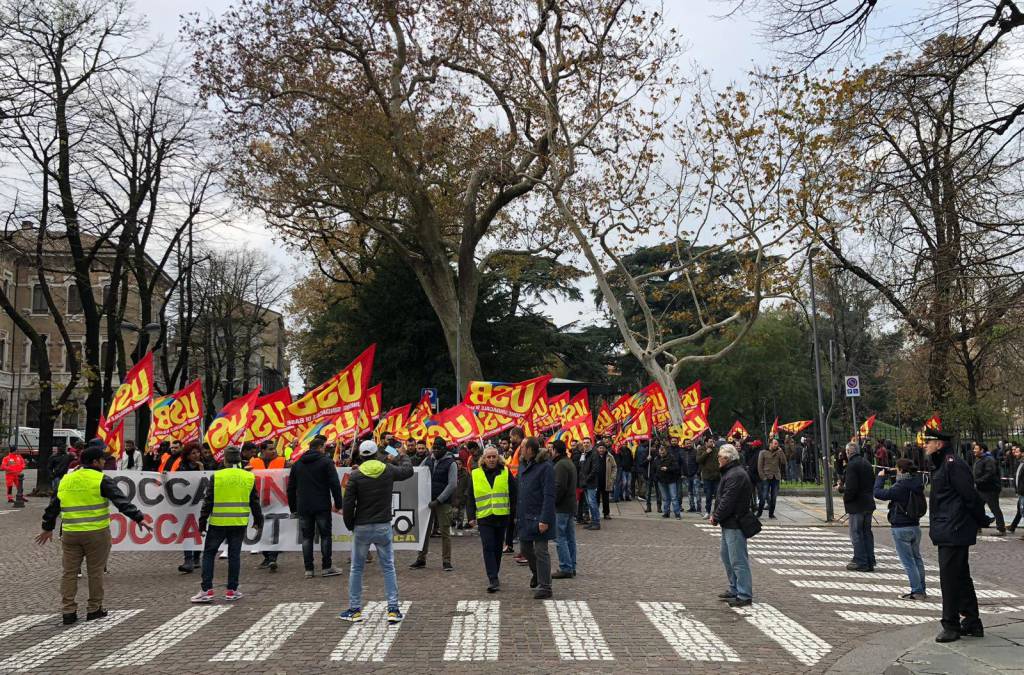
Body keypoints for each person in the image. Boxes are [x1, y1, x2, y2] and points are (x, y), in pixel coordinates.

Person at [37, 445, 152, 624]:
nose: (104, 461)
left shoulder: (66, 479)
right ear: (94, 461)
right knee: (95, 572)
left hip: (70, 533)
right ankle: (94, 608)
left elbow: (53, 506)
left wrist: (47, 527)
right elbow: (120, 501)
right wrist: (138, 518)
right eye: (102, 459)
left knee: (69, 573)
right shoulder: (100, 479)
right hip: (96, 533)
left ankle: (68, 611)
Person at [924, 428, 990, 643]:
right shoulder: (943, 464)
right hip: (950, 528)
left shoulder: (952, 464)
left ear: (939, 444)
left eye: (929, 441)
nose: (925, 445)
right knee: (960, 576)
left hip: (954, 528)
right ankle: (972, 621)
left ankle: (951, 624)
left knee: (950, 578)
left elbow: (969, 495)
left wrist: (981, 519)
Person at [340, 439, 413, 623]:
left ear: (361, 455)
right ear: (375, 453)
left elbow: (348, 504)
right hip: (383, 524)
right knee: (388, 567)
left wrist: (350, 525)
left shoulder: (355, 475)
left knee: (356, 568)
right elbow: (407, 471)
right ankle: (393, 609)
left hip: (362, 525)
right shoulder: (387, 469)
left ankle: (355, 609)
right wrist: (401, 453)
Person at [191, 446, 263, 603]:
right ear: (239, 459)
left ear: (224, 459)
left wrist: (202, 523)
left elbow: (208, 502)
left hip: (218, 521)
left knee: (209, 554)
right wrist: (258, 520)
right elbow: (254, 502)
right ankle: (232, 590)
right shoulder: (248, 477)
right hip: (239, 522)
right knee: (234, 555)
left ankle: (206, 590)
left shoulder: (217, 476)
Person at [287, 435, 343, 578]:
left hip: (303, 506)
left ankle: (309, 569)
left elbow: (291, 488)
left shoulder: (297, 464)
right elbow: (335, 484)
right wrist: (338, 503)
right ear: (320, 447)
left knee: (306, 537)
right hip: (322, 504)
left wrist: (293, 508)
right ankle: (326, 567)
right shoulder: (326, 462)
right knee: (325, 536)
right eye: (324, 447)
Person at [874, 459, 927, 599]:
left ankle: (917, 591)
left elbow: (879, 493)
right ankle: (922, 588)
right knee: (917, 558)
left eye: (897, 469)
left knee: (908, 561)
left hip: (901, 526)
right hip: (915, 525)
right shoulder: (917, 482)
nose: (896, 471)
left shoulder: (901, 486)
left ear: (902, 471)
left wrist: (880, 478)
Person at [466, 444, 517, 592]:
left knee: (497, 548)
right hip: (485, 517)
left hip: (501, 516)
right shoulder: (475, 474)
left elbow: (514, 494)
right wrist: (470, 516)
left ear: (498, 457)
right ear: (483, 458)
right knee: (488, 546)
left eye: (494, 456)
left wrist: (514, 515)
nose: (492, 459)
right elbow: (470, 497)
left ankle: (495, 572)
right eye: (489, 457)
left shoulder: (506, 472)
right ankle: (493, 578)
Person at [710, 443, 753, 607]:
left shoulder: (735, 475)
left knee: (737, 560)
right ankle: (735, 588)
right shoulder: (732, 472)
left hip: (734, 522)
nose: (718, 460)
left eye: (719, 457)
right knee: (727, 556)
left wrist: (716, 516)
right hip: (729, 522)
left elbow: (728, 500)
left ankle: (744, 594)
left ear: (727, 458)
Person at [516, 437, 556, 599]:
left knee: (541, 551)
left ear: (531, 450)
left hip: (539, 517)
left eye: (523, 446)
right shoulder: (522, 465)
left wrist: (545, 519)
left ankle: (546, 586)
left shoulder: (545, 467)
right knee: (525, 548)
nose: (520, 449)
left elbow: (549, 495)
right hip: (525, 516)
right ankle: (537, 574)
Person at [409, 436, 457, 571]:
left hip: (442, 502)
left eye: (438, 449)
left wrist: (439, 500)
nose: (435, 451)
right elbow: (418, 472)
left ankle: (446, 561)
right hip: (428, 502)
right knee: (424, 531)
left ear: (444, 449)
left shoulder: (450, 462)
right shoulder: (428, 459)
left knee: (445, 532)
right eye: (433, 448)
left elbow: (452, 484)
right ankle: (421, 559)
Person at [843, 442, 876, 572]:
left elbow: (851, 488)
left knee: (856, 533)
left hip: (857, 504)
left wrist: (846, 497)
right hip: (868, 502)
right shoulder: (866, 463)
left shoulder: (852, 465)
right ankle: (870, 559)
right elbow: (872, 481)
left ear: (848, 452)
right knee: (867, 532)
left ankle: (860, 560)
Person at [174, 443, 205, 574]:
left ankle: (196, 558)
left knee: (198, 531)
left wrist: (202, 468)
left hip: (201, 504)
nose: (196, 455)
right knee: (187, 532)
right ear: (187, 455)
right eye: (193, 453)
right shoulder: (182, 467)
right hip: (186, 505)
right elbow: (175, 481)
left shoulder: (206, 464)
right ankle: (188, 560)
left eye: (197, 452)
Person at [550, 439, 577, 579]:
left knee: (560, 537)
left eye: (551, 449)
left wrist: (552, 503)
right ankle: (571, 565)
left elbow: (559, 487)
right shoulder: (568, 462)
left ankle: (566, 567)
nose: (550, 452)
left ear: (556, 450)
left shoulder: (560, 465)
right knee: (570, 537)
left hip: (562, 507)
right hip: (570, 505)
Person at [971, 442, 1006, 535]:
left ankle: (1001, 529)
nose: (974, 450)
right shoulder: (980, 459)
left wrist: (977, 481)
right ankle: (978, 526)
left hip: (990, 489)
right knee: (977, 507)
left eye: (976, 448)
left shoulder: (988, 459)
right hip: (981, 488)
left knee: (994, 508)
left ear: (982, 450)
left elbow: (989, 474)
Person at [756, 438, 785, 519]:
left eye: (777, 444)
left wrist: (781, 452)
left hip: (776, 477)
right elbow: (759, 466)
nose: (777, 445)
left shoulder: (778, 452)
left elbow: (784, 462)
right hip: (766, 476)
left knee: (774, 497)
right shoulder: (763, 452)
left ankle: (771, 514)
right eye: (775, 443)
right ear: (770, 444)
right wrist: (763, 477)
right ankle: (759, 512)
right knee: (763, 496)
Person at [654, 444, 681, 519]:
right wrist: (656, 477)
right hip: (661, 480)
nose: (661, 454)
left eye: (663, 453)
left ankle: (677, 513)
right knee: (665, 498)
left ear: (666, 452)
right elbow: (654, 468)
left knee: (674, 497)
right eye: (660, 453)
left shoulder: (671, 458)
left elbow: (676, 467)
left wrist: (667, 468)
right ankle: (666, 512)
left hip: (671, 480)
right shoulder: (657, 459)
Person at [579, 439, 602, 529]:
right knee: (589, 503)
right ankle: (593, 522)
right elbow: (581, 467)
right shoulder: (584, 454)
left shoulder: (594, 454)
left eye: (587, 443)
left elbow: (595, 469)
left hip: (591, 483)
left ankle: (596, 522)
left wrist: (587, 479)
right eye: (584, 443)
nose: (585, 444)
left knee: (592, 503)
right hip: (585, 483)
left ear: (591, 444)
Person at [696, 437, 721, 519]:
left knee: (718, 496)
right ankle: (707, 512)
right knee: (708, 496)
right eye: (710, 441)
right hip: (707, 477)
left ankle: (716, 512)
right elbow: (698, 460)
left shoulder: (716, 449)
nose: (712, 443)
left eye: (713, 441)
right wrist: (706, 453)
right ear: (706, 442)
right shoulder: (701, 449)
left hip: (716, 476)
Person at [596, 442, 616, 519]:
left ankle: (606, 513)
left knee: (606, 499)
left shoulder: (609, 456)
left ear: (605, 449)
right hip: (596, 481)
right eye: (600, 448)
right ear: (597, 449)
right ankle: (596, 514)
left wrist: (612, 477)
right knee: (596, 499)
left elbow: (614, 467)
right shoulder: (594, 456)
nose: (601, 449)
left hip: (606, 480)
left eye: (602, 448)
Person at [681, 440, 701, 513]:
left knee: (697, 492)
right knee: (689, 492)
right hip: (686, 476)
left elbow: (699, 463)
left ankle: (699, 507)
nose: (688, 445)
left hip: (695, 475)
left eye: (690, 443)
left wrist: (698, 473)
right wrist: (682, 473)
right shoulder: (682, 452)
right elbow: (681, 464)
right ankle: (692, 507)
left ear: (692, 443)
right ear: (684, 444)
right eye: (687, 443)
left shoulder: (696, 452)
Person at [1008, 445, 1024, 537]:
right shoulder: (1020, 463)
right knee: (1020, 510)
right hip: (1021, 492)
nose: (1015, 453)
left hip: (1023, 492)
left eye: (1017, 452)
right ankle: (1013, 526)